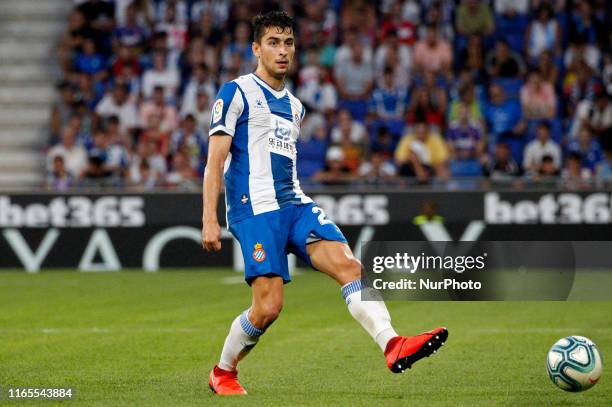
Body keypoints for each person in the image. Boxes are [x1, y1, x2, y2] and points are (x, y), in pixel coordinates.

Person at [203, 11, 448, 396]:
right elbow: (215, 160)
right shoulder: (235, 93)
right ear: (256, 48)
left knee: (349, 266)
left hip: (295, 203)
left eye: (288, 43)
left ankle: (392, 343)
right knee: (268, 308)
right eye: (273, 42)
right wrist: (209, 219)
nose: (282, 51)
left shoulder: (296, 107)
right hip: (255, 209)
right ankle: (223, 372)